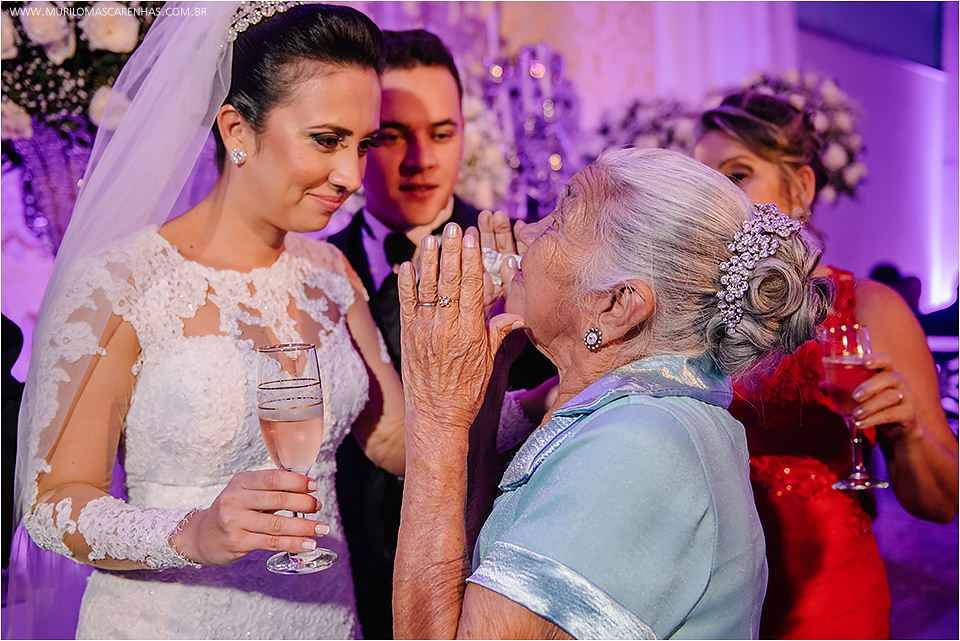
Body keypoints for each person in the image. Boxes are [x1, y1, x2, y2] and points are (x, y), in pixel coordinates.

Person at [9, 3, 407, 638]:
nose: (352, 176)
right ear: (237, 131)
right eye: (327, 141)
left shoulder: (331, 272)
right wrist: (193, 531)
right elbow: (55, 503)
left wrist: (541, 389)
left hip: (323, 619)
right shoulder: (122, 283)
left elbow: (392, 441)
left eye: (364, 145)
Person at [391, 147, 833, 638]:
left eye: (558, 221)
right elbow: (476, 589)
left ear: (616, 305)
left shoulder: (637, 447)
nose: (525, 232)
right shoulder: (649, 417)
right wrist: (487, 383)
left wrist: (436, 417)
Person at [695, 91, 959, 639]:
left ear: (801, 189)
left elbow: (942, 505)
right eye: (703, 184)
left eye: (737, 174)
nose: (716, 199)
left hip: (831, 609)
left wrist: (907, 431)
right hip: (705, 610)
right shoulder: (683, 319)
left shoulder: (869, 309)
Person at [327, 29, 553, 639]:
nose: (420, 160)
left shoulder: (526, 263)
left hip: (478, 589)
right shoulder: (309, 267)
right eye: (393, 136)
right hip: (334, 593)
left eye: (441, 134)